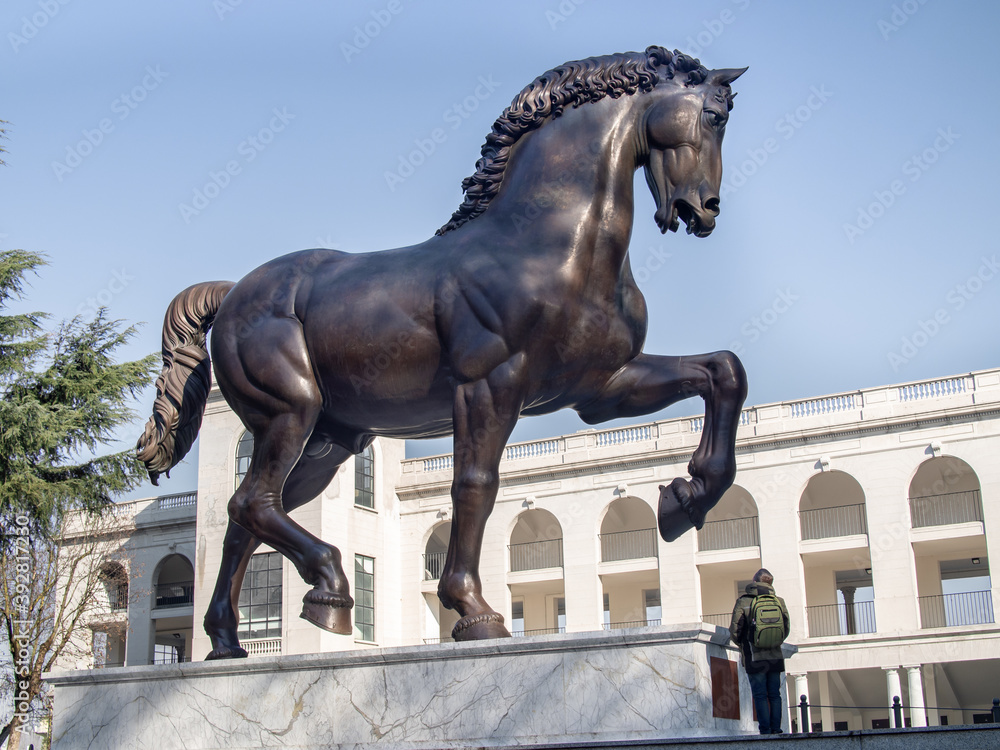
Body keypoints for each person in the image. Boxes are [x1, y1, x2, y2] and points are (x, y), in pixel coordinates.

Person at [729, 568, 790, 735]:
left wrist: (743, 645)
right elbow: (786, 628)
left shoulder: (743, 601)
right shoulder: (779, 601)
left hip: (753, 656)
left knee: (760, 694)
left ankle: (765, 730)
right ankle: (776, 729)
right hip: (775, 655)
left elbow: (735, 629)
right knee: (774, 695)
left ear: (755, 581)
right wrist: (773, 641)